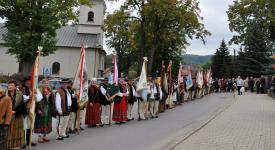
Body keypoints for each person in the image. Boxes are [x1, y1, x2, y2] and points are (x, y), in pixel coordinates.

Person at [7, 80, 26, 149]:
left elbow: (22, 105)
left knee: (19, 130)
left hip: (17, 115)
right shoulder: (4, 94)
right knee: (9, 131)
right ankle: (8, 145)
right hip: (7, 116)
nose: (10, 87)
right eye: (9, 85)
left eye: (12, 85)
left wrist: (15, 111)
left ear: (15, 87)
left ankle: (21, 144)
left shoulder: (20, 94)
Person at [34, 79, 54, 143]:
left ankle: (44, 135)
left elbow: (51, 99)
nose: (46, 84)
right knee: (40, 123)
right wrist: (38, 109)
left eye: (47, 83)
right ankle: (39, 137)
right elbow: (36, 102)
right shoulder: (39, 90)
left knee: (46, 122)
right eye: (44, 83)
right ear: (42, 83)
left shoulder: (49, 90)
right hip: (41, 108)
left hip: (48, 109)